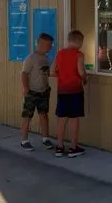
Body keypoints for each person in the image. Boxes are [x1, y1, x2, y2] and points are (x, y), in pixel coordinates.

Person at [50, 29, 87, 158]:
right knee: (74, 120)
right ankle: (73, 147)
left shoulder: (60, 53)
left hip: (62, 91)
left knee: (61, 119)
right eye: (82, 42)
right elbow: (81, 71)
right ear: (78, 41)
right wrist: (85, 78)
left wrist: (63, 76)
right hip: (75, 90)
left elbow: (52, 72)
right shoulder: (79, 55)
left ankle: (59, 147)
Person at [20, 33, 55, 151]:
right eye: (48, 44)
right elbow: (24, 73)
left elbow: (49, 72)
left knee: (44, 115)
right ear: (39, 43)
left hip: (44, 91)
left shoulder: (46, 58)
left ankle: (45, 138)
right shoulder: (31, 58)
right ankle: (24, 140)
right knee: (27, 116)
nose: (50, 47)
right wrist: (25, 87)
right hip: (32, 91)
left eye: (51, 45)